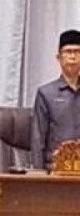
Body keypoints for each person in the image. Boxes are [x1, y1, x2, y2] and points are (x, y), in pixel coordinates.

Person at [30, 29, 80, 170]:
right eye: (68, 52)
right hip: (55, 169)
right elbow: (38, 139)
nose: (73, 56)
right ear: (59, 58)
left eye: (77, 52)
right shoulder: (46, 94)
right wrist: (38, 175)